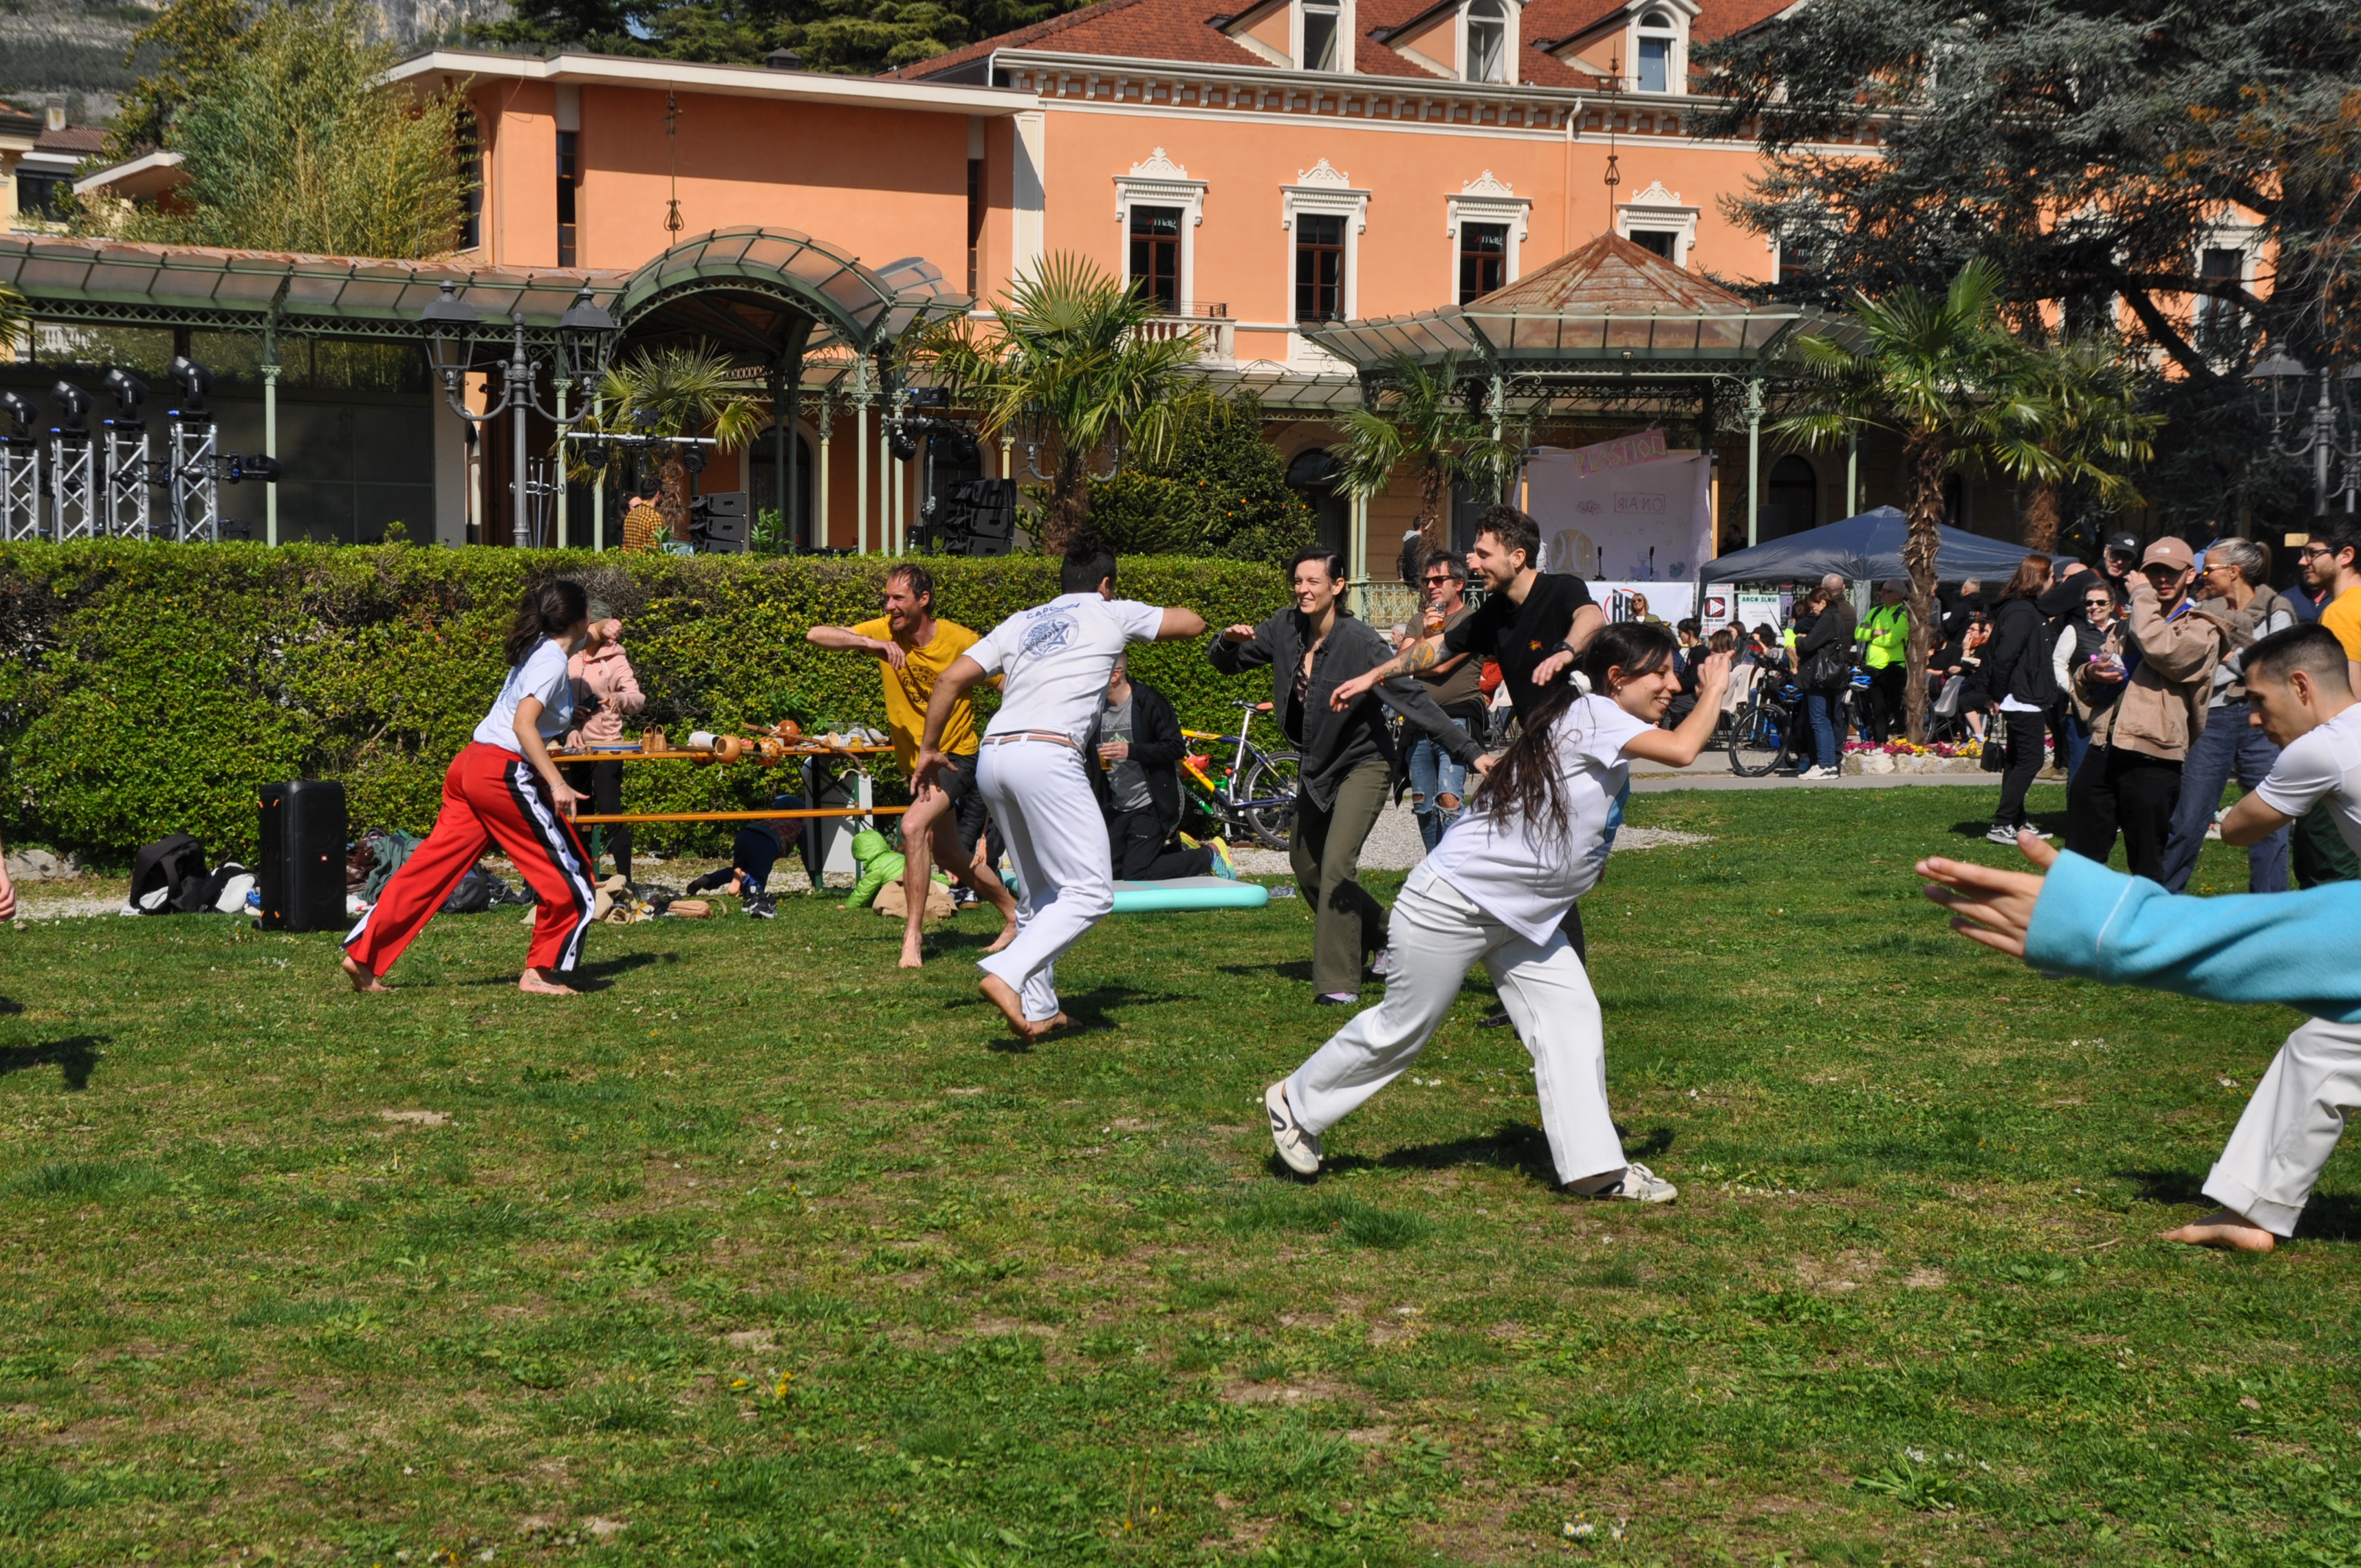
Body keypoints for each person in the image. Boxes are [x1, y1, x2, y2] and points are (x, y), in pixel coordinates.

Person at [1918, 630, 2361, 1254]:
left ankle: (2253, 1209)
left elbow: (2251, 844)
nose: (2254, 721)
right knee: (2326, 1049)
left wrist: (2118, 931)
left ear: (2302, 686)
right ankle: (2253, 1210)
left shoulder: (2323, 747)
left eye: (2260, 701)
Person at [1263, 623, 1730, 1201]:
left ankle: (1595, 1169)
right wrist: (1716, 686)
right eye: (1660, 673)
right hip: (1454, 906)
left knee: (1571, 1019)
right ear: (1617, 678)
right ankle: (1295, 1101)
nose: (1674, 685)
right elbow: (1683, 750)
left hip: (1520, 917)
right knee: (1403, 1029)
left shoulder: (1592, 717)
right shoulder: (1597, 714)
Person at [911, 536, 1207, 1040]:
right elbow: (1193, 623)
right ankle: (1007, 973)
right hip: (1048, 755)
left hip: (995, 755)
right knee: (1092, 892)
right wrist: (1127, 615)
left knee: (1038, 896)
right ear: (1106, 585)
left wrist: (928, 749)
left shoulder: (1021, 621)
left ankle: (1042, 1009)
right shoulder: (1110, 611)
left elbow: (948, 681)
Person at [1325, 504, 1606, 957]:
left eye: (1482, 554)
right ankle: (1532, 965)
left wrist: (1566, 650)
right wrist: (1375, 675)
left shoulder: (1560, 590)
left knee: (1545, 863)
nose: (1473, 564)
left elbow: (1592, 618)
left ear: (1517, 557)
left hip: (1581, 754)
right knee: (1532, 862)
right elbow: (1437, 649)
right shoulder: (1495, 612)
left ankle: (1546, 965)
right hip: (1539, 750)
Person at [1214, 548, 1487, 1003]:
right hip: (1317, 765)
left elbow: (1412, 698)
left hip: (1365, 762)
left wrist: (1471, 752)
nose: (1303, 590)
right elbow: (1227, 662)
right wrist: (1226, 640)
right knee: (1305, 864)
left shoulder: (1360, 642)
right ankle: (1390, 937)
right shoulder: (1284, 628)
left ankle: (1338, 984)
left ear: (1337, 586)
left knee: (1337, 864)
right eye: (1297, 581)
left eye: (1313, 582)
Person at [342, 580, 600, 997]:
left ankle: (363, 955)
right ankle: (540, 972)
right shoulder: (552, 662)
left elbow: (582, 641)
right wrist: (558, 784)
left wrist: (602, 631)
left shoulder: (539, 645)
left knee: (429, 871)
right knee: (573, 877)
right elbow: (523, 725)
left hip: (470, 764)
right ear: (578, 618)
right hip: (502, 773)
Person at [808, 562, 1019, 968]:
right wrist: (868, 644)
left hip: (954, 757)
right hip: (916, 763)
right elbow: (816, 635)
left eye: (898, 598)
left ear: (924, 599)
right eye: (886, 598)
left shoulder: (962, 640)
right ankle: (1015, 915)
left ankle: (913, 937)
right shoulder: (885, 631)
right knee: (950, 857)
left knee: (912, 827)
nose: (889, 606)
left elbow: (1007, 684)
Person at [2064, 537, 2231, 881]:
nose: (2162, 580)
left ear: (2190, 575)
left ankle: (2146, 915)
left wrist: (2141, 595)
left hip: (2155, 756)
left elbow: (2163, 650)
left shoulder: (2203, 628)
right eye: (2154, 572)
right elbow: (2097, 671)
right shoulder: (2129, 623)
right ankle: (2078, 912)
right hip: (2104, 747)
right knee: (2080, 857)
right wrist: (2090, 672)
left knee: (2146, 863)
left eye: (2171, 572)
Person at [2158, 537, 2295, 893]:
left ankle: (2269, 911)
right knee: (2189, 818)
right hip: (2212, 719)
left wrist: (2229, 657)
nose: (2203, 576)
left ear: (2234, 572)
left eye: (2209, 569)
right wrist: (2244, 661)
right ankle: (2163, 901)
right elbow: (2189, 662)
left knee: (2270, 822)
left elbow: (2274, 672)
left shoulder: (2276, 609)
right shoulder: (2203, 610)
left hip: (2263, 722)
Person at [1084, 654, 1233, 882]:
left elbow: (1176, 747)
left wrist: (1130, 751)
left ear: (1115, 675)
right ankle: (1178, 850)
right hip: (1118, 806)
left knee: (1136, 873)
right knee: (1107, 872)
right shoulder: (1095, 710)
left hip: (1150, 804)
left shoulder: (1148, 702)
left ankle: (1208, 856)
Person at [1965, 554, 2056, 843]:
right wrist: (1997, 694)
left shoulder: (2024, 609)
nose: (2054, 582)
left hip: (2022, 693)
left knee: (2017, 759)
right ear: (2040, 578)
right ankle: (2002, 823)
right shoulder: (2022, 611)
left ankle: (2016, 821)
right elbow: (2005, 656)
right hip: (2021, 696)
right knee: (2031, 760)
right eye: (2052, 576)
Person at [1400, 551, 1485, 852]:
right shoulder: (1419, 621)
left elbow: (1440, 666)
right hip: (1420, 720)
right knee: (1422, 803)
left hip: (1457, 718)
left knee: (1449, 799)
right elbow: (1400, 665)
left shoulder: (1473, 620)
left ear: (1459, 584)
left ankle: (1455, 867)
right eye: (1427, 581)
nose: (1431, 586)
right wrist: (1425, 634)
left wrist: (1417, 656)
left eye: (1439, 580)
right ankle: (1434, 867)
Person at [2293, 523, 2361, 888]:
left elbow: (2347, 697)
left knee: (2328, 874)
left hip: (2344, 760)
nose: (2303, 561)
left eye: (2313, 552)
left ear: (2345, 555)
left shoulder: (2342, 612)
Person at [562, 599, 645, 885]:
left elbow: (637, 699)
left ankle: (625, 881)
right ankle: (581, 878)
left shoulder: (616, 658)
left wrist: (619, 698)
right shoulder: (567, 653)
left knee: (610, 811)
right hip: (572, 746)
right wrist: (569, 715)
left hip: (608, 746)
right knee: (578, 813)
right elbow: (550, 698)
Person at [2051, 579, 2116, 783]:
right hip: (2082, 711)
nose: (2094, 607)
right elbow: (2058, 663)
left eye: (2101, 602)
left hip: (2114, 709)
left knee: (2111, 769)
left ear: (2112, 605)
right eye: (2089, 603)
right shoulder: (2074, 630)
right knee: (2080, 769)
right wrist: (2072, 689)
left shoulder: (2121, 629)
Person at [1794, 575, 1855, 780]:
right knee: (1826, 720)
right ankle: (1828, 764)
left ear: (1823, 602)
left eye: (1813, 607)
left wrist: (1799, 640)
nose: (1812, 611)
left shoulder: (1828, 618)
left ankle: (1825, 764)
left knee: (1819, 720)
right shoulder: (1836, 616)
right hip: (1832, 675)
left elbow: (1808, 644)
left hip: (1820, 676)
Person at [1856, 581, 1909, 744]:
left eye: (1887, 591)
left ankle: (1904, 742)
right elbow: (1858, 633)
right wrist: (1881, 632)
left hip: (1894, 668)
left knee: (1897, 708)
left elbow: (1892, 640)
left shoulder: (1904, 614)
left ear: (1898, 595)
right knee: (1878, 710)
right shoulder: (1875, 611)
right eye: (1882, 590)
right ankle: (1880, 744)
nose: (1882, 593)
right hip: (1873, 667)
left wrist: (1871, 635)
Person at [620, 475, 667, 553]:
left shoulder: (630, 515)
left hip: (631, 560)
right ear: (658, 494)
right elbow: (656, 551)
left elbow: (625, 547)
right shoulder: (654, 517)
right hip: (647, 561)